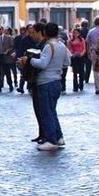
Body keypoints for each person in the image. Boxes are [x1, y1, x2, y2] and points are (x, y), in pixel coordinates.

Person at [23, 23, 70, 151]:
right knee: (52, 111)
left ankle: (51, 140)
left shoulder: (49, 46)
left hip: (46, 82)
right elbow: (67, 62)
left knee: (46, 112)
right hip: (57, 81)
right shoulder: (61, 44)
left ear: (45, 32)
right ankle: (59, 137)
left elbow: (42, 64)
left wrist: (30, 60)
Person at [87, 17, 99, 95]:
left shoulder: (91, 31)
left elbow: (88, 42)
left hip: (94, 52)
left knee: (95, 71)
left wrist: (88, 52)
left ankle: (97, 89)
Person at [0, 26, 14, 93]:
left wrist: (8, 51)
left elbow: (12, 46)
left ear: (3, 30)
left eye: (0, 29)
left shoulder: (9, 38)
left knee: (7, 72)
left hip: (6, 57)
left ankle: (10, 85)